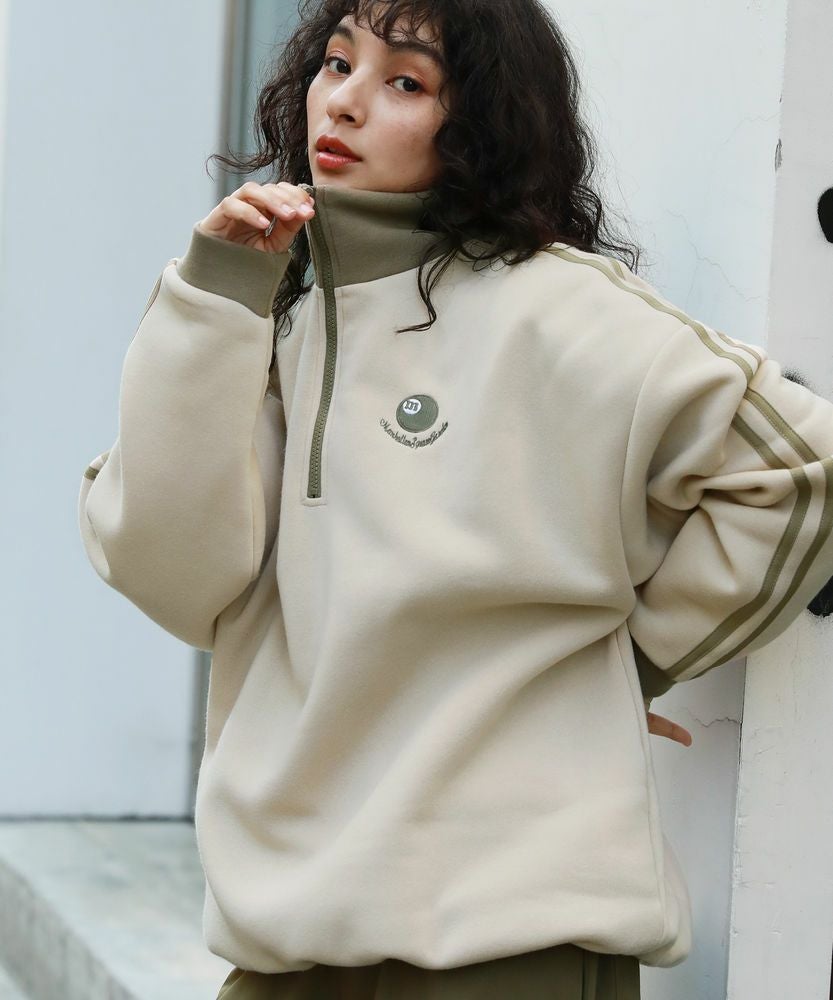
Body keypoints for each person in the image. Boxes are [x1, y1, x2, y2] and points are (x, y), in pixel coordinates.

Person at [76, 1, 833, 997]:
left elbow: (796, 467)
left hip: (513, 942)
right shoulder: (273, 322)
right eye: (336, 62)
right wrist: (214, 296)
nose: (344, 102)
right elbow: (175, 577)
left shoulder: (556, 307)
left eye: (404, 80)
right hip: (291, 940)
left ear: (478, 120)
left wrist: (630, 664)